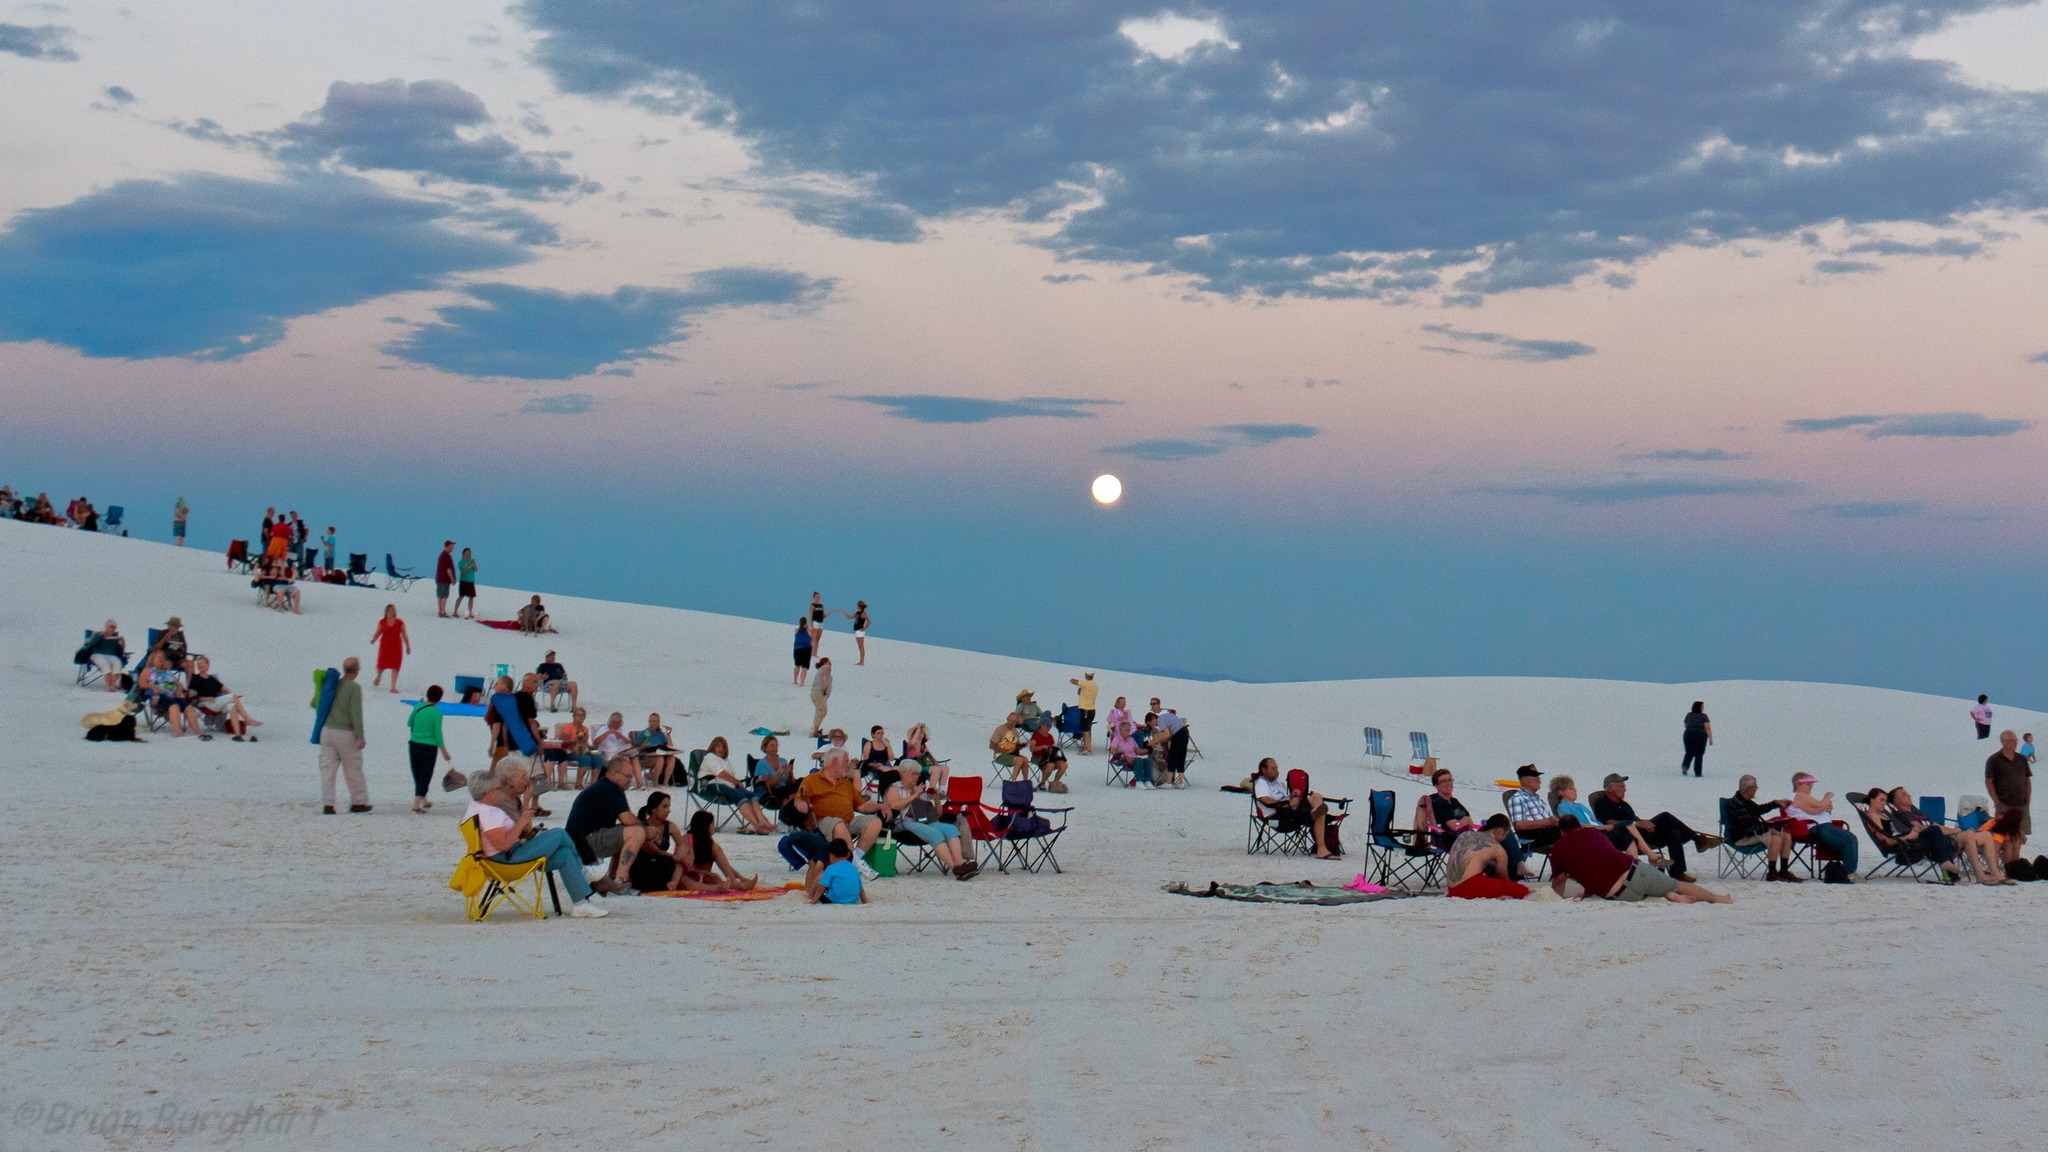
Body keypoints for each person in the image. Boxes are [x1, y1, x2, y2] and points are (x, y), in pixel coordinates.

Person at [465, 768, 608, 917]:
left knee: (564, 855)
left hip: (499, 859)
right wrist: (521, 822)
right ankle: (583, 871)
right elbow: (503, 845)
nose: (500, 791)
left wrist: (524, 814)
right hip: (505, 862)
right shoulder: (489, 814)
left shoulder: (475, 807)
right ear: (488, 793)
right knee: (559, 833)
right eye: (497, 789)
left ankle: (581, 904)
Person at [1550, 815, 1732, 904]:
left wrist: (1557, 897)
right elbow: (1602, 859)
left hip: (1618, 893)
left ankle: (1668, 896)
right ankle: (1717, 899)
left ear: (1561, 832)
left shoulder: (1558, 848)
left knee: (1646, 895)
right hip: (1635, 871)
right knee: (1676, 884)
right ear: (1580, 826)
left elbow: (1560, 880)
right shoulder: (1593, 834)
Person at [1591, 773, 1723, 881]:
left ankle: (1678, 872)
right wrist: (1637, 823)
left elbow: (1636, 820)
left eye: (1624, 786)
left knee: (1673, 831)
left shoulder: (1624, 805)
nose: (1625, 789)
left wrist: (1644, 822)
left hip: (1642, 834)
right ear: (1610, 788)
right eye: (1621, 786)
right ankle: (1697, 839)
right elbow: (1610, 823)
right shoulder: (1602, 803)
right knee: (1665, 817)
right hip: (1625, 838)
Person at [1888, 787, 2009, 884]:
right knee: (1968, 836)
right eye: (1903, 795)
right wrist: (1953, 831)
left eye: (1907, 793)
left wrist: (1955, 830)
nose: (1908, 795)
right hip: (1936, 844)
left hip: (1946, 837)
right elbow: (1925, 828)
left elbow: (1936, 825)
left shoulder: (1917, 812)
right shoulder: (1903, 814)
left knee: (1986, 835)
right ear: (1895, 802)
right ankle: (1980, 875)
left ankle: (1995, 873)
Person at [795, 748, 882, 879]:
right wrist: (801, 804)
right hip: (824, 822)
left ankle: (854, 861)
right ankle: (857, 864)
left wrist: (880, 806)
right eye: (846, 761)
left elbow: (862, 806)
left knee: (875, 822)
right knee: (838, 824)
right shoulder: (812, 780)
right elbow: (799, 798)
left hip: (849, 820)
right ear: (834, 761)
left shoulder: (846, 784)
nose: (848, 765)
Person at [565, 755, 645, 889]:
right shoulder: (612, 788)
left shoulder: (602, 787)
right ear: (613, 774)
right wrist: (645, 828)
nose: (629, 781)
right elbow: (627, 818)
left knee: (627, 831)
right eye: (627, 777)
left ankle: (613, 876)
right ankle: (620, 880)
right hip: (586, 842)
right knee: (637, 832)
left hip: (577, 841)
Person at [882, 771, 978, 878]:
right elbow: (892, 805)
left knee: (951, 829)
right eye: (913, 774)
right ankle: (955, 868)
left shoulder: (919, 790)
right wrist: (913, 796)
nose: (916, 777)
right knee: (934, 833)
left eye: (917, 775)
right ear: (904, 774)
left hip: (924, 821)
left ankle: (960, 863)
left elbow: (936, 816)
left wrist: (936, 800)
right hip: (901, 823)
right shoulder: (894, 788)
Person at [1864, 788, 1963, 882]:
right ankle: (1950, 872)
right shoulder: (1873, 816)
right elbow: (1886, 839)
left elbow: (1899, 829)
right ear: (1872, 800)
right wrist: (1907, 836)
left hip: (1907, 838)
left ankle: (1948, 868)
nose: (1884, 803)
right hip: (1902, 844)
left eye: (1885, 801)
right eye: (1881, 800)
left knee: (1937, 833)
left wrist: (1914, 830)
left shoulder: (1884, 814)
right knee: (1935, 832)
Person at [1252, 758, 1337, 858]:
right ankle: (1321, 849)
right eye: (1273, 769)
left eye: (1277, 768)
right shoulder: (1261, 783)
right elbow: (1266, 801)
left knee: (1317, 796)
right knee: (1320, 815)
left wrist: (1292, 795)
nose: (1276, 771)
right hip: (1278, 818)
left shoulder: (1276, 783)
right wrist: (1288, 805)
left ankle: (1314, 812)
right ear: (1263, 770)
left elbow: (1284, 797)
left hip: (1290, 812)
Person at [317, 658, 370, 814]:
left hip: (326, 730)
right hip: (345, 732)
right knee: (353, 767)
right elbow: (356, 713)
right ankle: (358, 802)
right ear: (356, 670)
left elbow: (316, 703)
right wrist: (360, 736)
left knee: (328, 769)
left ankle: (328, 804)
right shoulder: (354, 688)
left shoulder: (332, 685)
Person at [1781, 772, 1859, 876]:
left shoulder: (1802, 797)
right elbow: (1818, 806)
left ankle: (1848, 872)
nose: (1811, 787)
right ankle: (1848, 873)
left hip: (1823, 825)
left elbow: (1815, 809)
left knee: (1851, 838)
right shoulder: (1799, 796)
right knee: (1846, 841)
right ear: (1799, 784)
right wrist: (1827, 797)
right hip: (1816, 827)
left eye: (1811, 784)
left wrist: (1824, 807)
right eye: (1808, 784)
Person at [697, 735, 778, 834]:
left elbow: (730, 776)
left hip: (728, 786)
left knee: (751, 795)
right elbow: (721, 774)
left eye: (723, 747)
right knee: (740, 797)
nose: (721, 749)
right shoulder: (710, 757)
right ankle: (757, 826)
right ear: (713, 747)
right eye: (718, 747)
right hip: (711, 786)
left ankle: (762, 821)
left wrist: (737, 783)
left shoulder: (725, 760)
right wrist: (737, 782)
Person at [1724, 775, 1798, 882]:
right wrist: (1768, 829)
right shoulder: (1738, 805)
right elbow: (1747, 828)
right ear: (1749, 789)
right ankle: (1772, 873)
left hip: (1750, 833)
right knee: (1776, 838)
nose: (1756, 791)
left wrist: (1774, 804)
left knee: (1786, 835)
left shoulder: (1745, 801)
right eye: (1755, 788)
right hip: (1741, 838)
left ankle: (1784, 871)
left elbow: (1757, 810)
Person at [1445, 816, 1530, 899]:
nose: (1503, 839)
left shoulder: (1465, 835)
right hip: (1470, 887)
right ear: (1501, 831)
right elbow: (1503, 878)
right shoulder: (1497, 848)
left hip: (1452, 889)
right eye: (1505, 835)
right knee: (1521, 890)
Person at [403, 685, 453, 812]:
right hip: (429, 747)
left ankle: (423, 799)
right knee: (425, 774)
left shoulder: (418, 707)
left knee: (417, 772)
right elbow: (438, 733)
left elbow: (409, 723)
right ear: (439, 698)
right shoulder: (437, 712)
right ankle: (416, 805)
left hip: (414, 744)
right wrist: (444, 751)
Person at [1986, 729, 2032, 865]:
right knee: (2005, 837)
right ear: (2003, 742)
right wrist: (1996, 800)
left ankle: (2015, 865)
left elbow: (2027, 780)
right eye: (2012, 741)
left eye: (2016, 740)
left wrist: (2028, 798)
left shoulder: (2021, 759)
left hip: (2021, 803)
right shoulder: (1994, 760)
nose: (2015, 743)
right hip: (2004, 803)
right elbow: (1989, 781)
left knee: (2018, 836)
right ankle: (2007, 867)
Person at [187, 656, 260, 740]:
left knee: (232, 706)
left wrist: (232, 697)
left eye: (202, 664)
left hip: (216, 702)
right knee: (233, 697)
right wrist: (204, 698)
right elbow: (191, 695)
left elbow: (225, 690)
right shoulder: (196, 679)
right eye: (198, 664)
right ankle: (247, 719)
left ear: (207, 665)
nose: (200, 666)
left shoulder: (211, 679)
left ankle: (237, 735)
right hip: (205, 704)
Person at [1505, 764, 1559, 865]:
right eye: (1536, 778)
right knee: (1571, 836)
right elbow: (1520, 825)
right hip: (1535, 836)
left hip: (1547, 832)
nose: (1539, 781)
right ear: (1525, 780)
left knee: (1576, 832)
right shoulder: (1518, 799)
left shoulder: (1538, 799)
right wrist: (1547, 822)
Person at [141, 651, 203, 738]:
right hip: (158, 697)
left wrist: (179, 689)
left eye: (162, 657)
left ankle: (198, 733)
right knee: (174, 706)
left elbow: (178, 684)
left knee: (188, 707)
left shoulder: (167, 671)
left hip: (173, 696)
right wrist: (152, 686)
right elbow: (142, 684)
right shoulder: (148, 670)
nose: (160, 659)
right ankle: (179, 733)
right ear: (153, 659)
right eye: (158, 657)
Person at [1423, 768, 1474, 849]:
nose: (1448, 784)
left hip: (1466, 837)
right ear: (1436, 786)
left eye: (1450, 780)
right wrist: (1463, 821)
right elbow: (1455, 826)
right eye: (1443, 781)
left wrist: (1462, 821)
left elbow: (1470, 822)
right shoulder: (1438, 803)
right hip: (1450, 840)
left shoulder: (1454, 801)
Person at [592, 711, 643, 790]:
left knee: (634, 757)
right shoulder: (603, 729)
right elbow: (595, 743)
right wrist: (607, 733)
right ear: (610, 721)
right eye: (614, 722)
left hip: (621, 752)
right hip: (608, 755)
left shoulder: (621, 729)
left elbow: (629, 743)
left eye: (618, 722)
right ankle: (626, 783)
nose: (616, 724)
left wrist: (620, 735)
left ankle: (639, 784)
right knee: (625, 759)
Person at [808, 839, 867, 904]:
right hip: (853, 901)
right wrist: (866, 902)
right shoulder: (854, 868)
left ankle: (810, 896)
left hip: (835, 900)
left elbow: (820, 889)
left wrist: (813, 902)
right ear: (848, 854)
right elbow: (861, 889)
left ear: (832, 856)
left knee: (821, 878)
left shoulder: (830, 868)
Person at [370, 604, 410, 692]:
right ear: (386, 612)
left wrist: (407, 646)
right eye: (389, 611)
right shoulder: (382, 622)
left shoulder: (400, 622)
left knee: (396, 666)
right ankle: (378, 676)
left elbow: (404, 635)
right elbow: (378, 633)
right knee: (381, 663)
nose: (391, 612)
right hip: (385, 646)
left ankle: (393, 686)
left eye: (392, 610)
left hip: (396, 647)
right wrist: (373, 639)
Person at [901, 722, 948, 794]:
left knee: (945, 767)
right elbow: (913, 741)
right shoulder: (911, 744)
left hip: (925, 764)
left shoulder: (923, 745)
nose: (920, 734)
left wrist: (935, 761)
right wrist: (918, 728)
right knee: (936, 769)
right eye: (918, 733)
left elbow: (929, 755)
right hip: (915, 764)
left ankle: (942, 789)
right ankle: (931, 788)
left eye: (921, 733)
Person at [80, 620, 127, 691]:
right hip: (97, 654)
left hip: (112, 655)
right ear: (106, 627)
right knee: (105, 664)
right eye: (112, 627)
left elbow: (120, 652)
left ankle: (113, 685)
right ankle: (109, 686)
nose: (113, 629)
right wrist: (99, 636)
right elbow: (90, 644)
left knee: (117, 663)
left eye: (114, 627)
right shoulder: (98, 634)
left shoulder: (115, 637)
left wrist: (122, 643)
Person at [633, 713, 678, 786]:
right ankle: (655, 782)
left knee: (671, 758)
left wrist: (668, 734)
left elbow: (669, 747)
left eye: (654, 721)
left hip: (658, 755)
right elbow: (635, 749)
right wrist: (643, 746)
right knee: (660, 759)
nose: (652, 723)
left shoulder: (660, 734)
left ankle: (665, 782)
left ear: (658, 723)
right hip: (645, 758)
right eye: (650, 721)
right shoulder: (644, 733)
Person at [1109, 719, 1153, 787]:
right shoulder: (1117, 739)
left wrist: (1148, 749)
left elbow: (1138, 751)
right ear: (1121, 730)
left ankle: (1147, 781)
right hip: (1121, 759)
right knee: (1139, 761)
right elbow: (1113, 751)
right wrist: (1124, 756)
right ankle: (1138, 781)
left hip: (1134, 758)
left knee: (1148, 760)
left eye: (1129, 730)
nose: (1128, 732)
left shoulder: (1131, 739)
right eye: (1126, 730)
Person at [1028, 722, 1070, 791]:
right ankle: (1042, 783)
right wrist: (1042, 747)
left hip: (1049, 757)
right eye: (1047, 725)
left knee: (1064, 764)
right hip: (1038, 757)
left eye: (1050, 726)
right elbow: (1031, 749)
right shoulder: (1036, 735)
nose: (1049, 728)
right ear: (1041, 725)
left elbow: (1052, 747)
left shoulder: (1050, 736)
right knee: (1050, 765)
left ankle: (1054, 783)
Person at [990, 712, 1030, 781]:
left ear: (1016, 722)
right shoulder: (1000, 730)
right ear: (1007, 719)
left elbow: (1016, 746)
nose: (1011, 723)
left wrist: (1022, 746)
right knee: (1019, 760)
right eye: (1010, 721)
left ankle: (1026, 781)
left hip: (1012, 754)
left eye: (1014, 721)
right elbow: (992, 745)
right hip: (999, 755)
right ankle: (1013, 781)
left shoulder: (1015, 731)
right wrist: (1004, 751)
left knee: (1025, 759)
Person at [1070, 671, 1099, 754]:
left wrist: (1080, 683)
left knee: (1085, 729)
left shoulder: (1086, 684)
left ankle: (1088, 748)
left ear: (1086, 675)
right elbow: (1080, 693)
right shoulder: (1094, 685)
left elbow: (1072, 681)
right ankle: (1086, 746)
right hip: (1092, 709)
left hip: (1086, 709)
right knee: (1088, 728)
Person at [1682, 701, 1712, 777]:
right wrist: (1710, 738)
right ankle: (1698, 773)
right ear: (1699, 707)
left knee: (1689, 752)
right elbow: (1707, 728)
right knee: (1699, 754)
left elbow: (1685, 724)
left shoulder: (1689, 715)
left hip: (1688, 735)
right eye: (1702, 706)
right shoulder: (1704, 716)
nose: (1703, 708)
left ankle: (1685, 767)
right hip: (1700, 736)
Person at [808, 656, 832, 737]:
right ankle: (814, 730)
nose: (830, 664)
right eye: (829, 662)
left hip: (818, 693)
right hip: (820, 692)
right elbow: (824, 676)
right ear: (825, 663)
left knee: (823, 711)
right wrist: (825, 687)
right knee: (821, 710)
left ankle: (816, 728)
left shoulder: (822, 668)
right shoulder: (825, 667)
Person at [434, 541, 456, 617]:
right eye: (451, 547)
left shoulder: (443, 555)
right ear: (447, 546)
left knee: (440, 596)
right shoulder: (446, 556)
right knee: (444, 596)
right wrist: (452, 578)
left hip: (440, 579)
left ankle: (440, 611)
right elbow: (448, 569)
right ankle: (442, 612)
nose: (452, 548)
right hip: (444, 579)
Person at [455, 547, 478, 619]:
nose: (469, 554)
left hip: (471, 582)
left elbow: (476, 570)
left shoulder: (471, 561)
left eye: (469, 553)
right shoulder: (461, 562)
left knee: (471, 597)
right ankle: (455, 611)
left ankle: (470, 612)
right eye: (467, 553)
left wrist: (473, 564)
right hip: (464, 581)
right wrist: (468, 565)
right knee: (461, 596)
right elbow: (463, 571)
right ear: (463, 553)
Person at [792, 617, 813, 687]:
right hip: (806, 650)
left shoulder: (796, 630)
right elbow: (812, 638)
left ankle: (795, 681)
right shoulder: (808, 630)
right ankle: (802, 683)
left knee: (797, 665)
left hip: (797, 650)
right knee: (804, 667)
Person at [848, 600, 870, 665]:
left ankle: (862, 661)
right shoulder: (857, 612)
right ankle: (861, 661)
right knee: (859, 646)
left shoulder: (863, 613)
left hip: (860, 631)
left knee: (861, 646)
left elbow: (869, 621)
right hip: (857, 631)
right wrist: (844, 613)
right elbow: (850, 617)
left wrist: (865, 628)